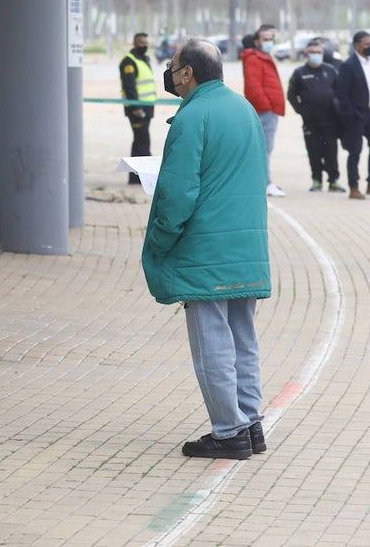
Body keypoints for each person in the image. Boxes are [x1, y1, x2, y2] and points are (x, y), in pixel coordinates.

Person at [142, 39, 271, 460]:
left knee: (212, 342)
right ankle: (250, 424)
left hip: (203, 250)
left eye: (173, 66)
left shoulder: (191, 116)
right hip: (246, 245)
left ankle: (228, 431)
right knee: (243, 338)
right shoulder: (244, 110)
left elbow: (178, 193)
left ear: (187, 74)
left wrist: (161, 240)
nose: (170, 72)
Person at [335, 31, 370, 200]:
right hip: (356, 115)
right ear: (357, 46)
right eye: (367, 44)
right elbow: (341, 93)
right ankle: (354, 186)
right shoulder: (348, 65)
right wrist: (350, 113)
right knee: (355, 151)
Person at [286, 39, 345, 192]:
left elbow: (340, 91)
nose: (316, 55)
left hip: (330, 120)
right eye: (312, 52)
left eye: (319, 53)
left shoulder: (330, 70)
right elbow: (291, 94)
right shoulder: (300, 73)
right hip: (310, 120)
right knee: (314, 151)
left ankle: (333, 180)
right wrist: (300, 110)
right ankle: (316, 179)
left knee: (331, 151)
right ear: (306, 54)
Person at [241, 24, 287, 197]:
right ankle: (265, 183)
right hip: (265, 111)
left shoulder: (264, 57)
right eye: (265, 39)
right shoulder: (254, 59)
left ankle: (262, 181)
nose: (269, 42)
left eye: (271, 39)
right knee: (264, 149)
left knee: (265, 148)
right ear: (257, 42)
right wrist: (266, 105)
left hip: (270, 110)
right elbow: (253, 86)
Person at [119, 32, 156, 184]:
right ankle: (145, 176)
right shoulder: (129, 61)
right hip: (137, 110)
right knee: (143, 142)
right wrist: (135, 107)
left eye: (146, 43)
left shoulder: (144, 59)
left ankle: (135, 178)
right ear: (134, 44)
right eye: (141, 43)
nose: (144, 46)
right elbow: (129, 86)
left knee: (139, 142)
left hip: (146, 108)